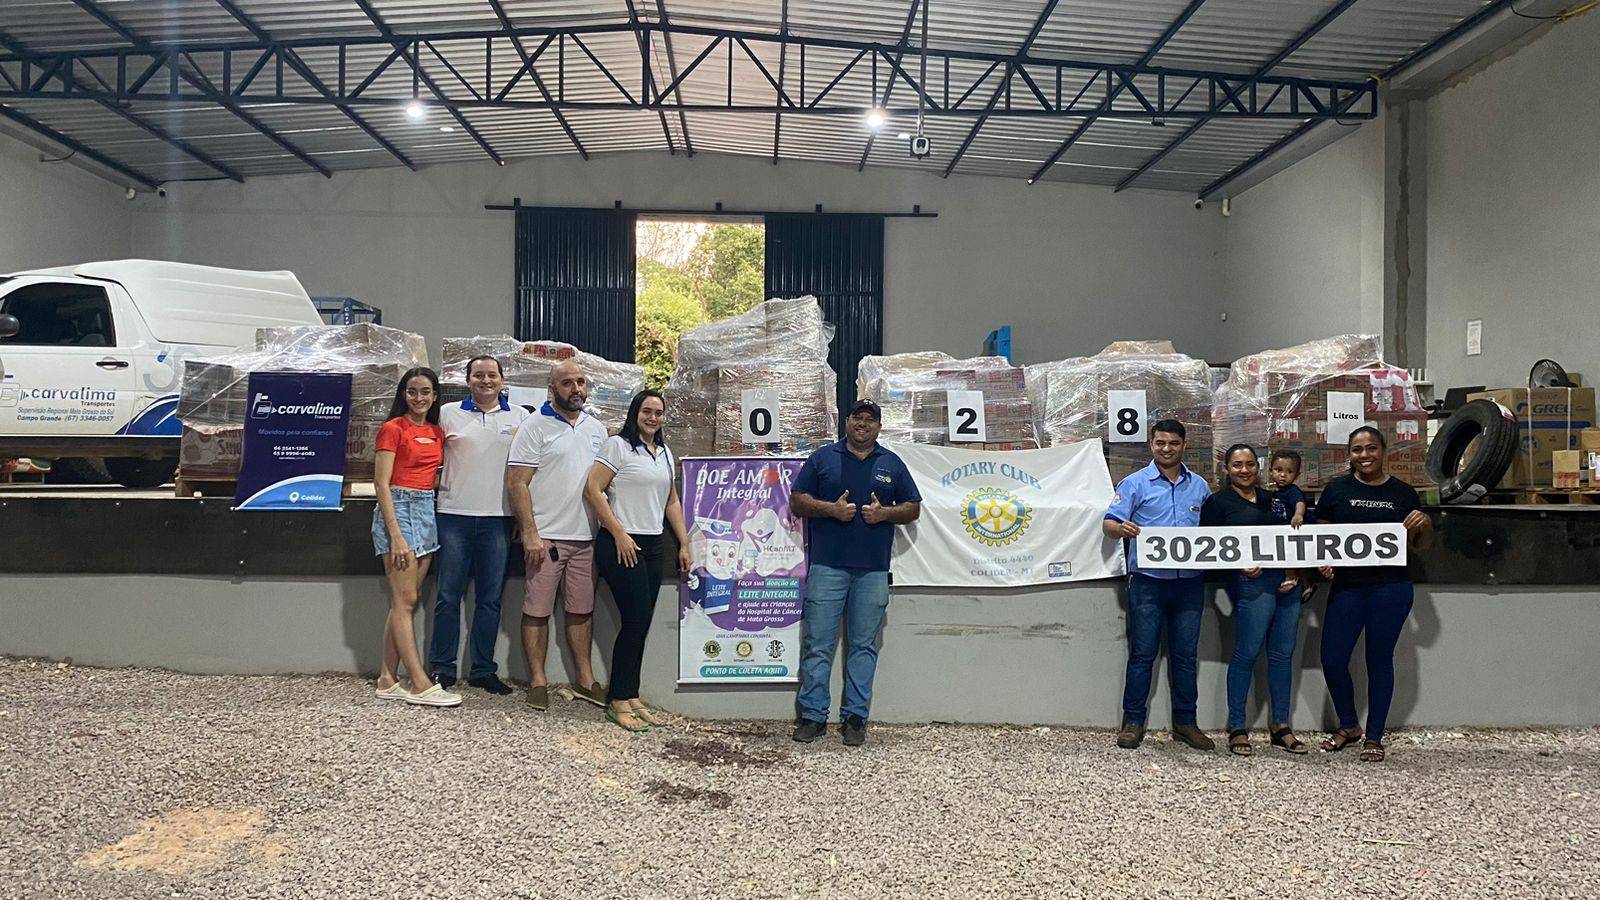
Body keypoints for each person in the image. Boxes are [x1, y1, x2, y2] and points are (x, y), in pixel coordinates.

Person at [789, 399, 921, 747]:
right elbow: (797, 500)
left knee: (863, 646)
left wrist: (885, 514)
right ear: (846, 422)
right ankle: (813, 716)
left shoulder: (891, 463)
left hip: (873, 572)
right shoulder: (822, 459)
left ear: (878, 426)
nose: (863, 423)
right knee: (818, 644)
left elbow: (913, 507)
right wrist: (830, 510)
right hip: (827, 567)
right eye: (857, 417)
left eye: (870, 419)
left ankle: (855, 717)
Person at [1313, 425, 1432, 763]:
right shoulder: (1336, 490)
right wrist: (1323, 562)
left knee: (1378, 660)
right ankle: (1349, 726)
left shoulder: (1403, 493)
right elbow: (1322, 539)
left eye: (1371, 449)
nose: (1364, 455)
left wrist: (1424, 523)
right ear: (1349, 454)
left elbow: (1421, 545)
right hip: (1348, 587)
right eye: (1357, 450)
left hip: (1390, 588)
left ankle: (1375, 737)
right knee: (1333, 658)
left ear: (1384, 452)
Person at [583, 390, 691, 733]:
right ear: (636, 413)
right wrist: (618, 532)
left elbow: (671, 501)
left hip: (653, 544)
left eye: (659, 412)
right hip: (620, 544)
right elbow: (593, 489)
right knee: (635, 619)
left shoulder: (664, 453)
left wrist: (685, 543)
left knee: (641, 624)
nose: (653, 417)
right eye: (647, 411)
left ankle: (630, 694)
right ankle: (617, 700)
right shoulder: (618, 446)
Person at [1103, 419, 1214, 751]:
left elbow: (1216, 532)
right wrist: (1121, 530)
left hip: (1190, 585)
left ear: (1184, 445)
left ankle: (1186, 723)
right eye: (1160, 443)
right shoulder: (1135, 483)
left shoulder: (1201, 487)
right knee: (1142, 654)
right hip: (1148, 584)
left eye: (1173, 443)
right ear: (1151, 445)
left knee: (1186, 656)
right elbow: (1108, 523)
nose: (1167, 449)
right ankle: (1133, 722)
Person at [506, 359, 608, 711]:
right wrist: (531, 533)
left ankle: (584, 679)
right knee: (537, 610)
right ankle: (537, 680)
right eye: (567, 383)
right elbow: (517, 482)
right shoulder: (534, 426)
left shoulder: (598, 429)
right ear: (552, 389)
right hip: (546, 537)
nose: (575, 389)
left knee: (581, 611)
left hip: (587, 538)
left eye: (580, 382)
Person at [428, 355, 529, 694]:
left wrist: (521, 517)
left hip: (498, 520)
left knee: (489, 599)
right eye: (478, 375)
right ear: (467, 380)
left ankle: (483, 670)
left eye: (492, 375)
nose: (485, 381)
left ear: (502, 381)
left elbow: (525, 473)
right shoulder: (447, 413)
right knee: (447, 596)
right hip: (453, 516)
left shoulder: (520, 417)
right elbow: (432, 461)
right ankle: (442, 669)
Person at [1201, 444, 1307, 757]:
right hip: (1250, 585)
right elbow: (1205, 549)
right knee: (1246, 653)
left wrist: (1304, 568)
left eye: (1249, 464)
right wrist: (1237, 563)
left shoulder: (1275, 499)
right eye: (1237, 465)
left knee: (1282, 655)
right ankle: (1237, 726)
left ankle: (1281, 726)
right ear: (1226, 469)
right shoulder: (1217, 503)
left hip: (1287, 583)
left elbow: (1299, 534)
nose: (1244, 470)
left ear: (1258, 467)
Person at [372, 367, 462, 708]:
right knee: (405, 601)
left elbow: (432, 475)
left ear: (435, 396)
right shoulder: (391, 429)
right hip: (398, 509)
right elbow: (382, 483)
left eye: (425, 392)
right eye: (412, 392)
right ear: (403, 395)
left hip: (426, 509)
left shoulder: (438, 432)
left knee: (404, 600)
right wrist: (395, 535)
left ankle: (386, 677)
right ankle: (420, 683)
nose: (419, 398)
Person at [1266, 449, 1314, 599]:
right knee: (1298, 558)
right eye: (1278, 470)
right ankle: (1307, 584)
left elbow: (1300, 503)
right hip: (1285, 529)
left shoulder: (1293, 491)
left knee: (1288, 554)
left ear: (1297, 475)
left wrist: (1298, 514)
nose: (1283, 475)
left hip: (1295, 528)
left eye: (1289, 472)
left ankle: (1291, 577)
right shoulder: (1275, 491)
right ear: (1270, 471)